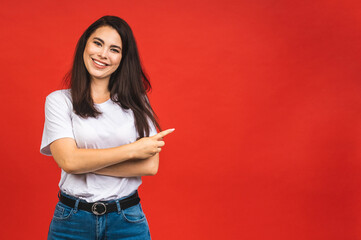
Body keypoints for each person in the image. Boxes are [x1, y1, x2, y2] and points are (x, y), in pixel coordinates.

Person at [40, 15, 174, 240]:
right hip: (71, 220)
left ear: (123, 58)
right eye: (98, 43)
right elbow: (69, 162)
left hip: (127, 220)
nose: (102, 54)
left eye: (114, 49)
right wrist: (132, 151)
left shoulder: (138, 102)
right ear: (85, 45)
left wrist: (83, 163)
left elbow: (150, 165)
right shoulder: (59, 101)